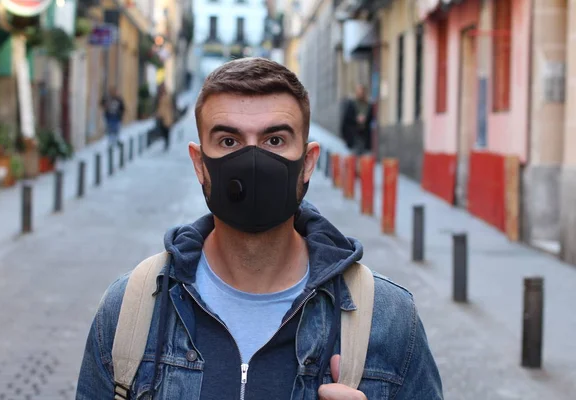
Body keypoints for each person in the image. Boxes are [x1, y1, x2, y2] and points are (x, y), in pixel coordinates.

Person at [76, 58, 443, 399]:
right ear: (199, 164)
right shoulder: (131, 310)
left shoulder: (388, 318)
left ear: (308, 162)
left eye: (275, 140)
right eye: (229, 141)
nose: (252, 161)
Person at [340, 84, 373, 154]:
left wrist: (365, 119)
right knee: (353, 158)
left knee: (363, 158)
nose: (360, 94)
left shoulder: (368, 105)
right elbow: (346, 120)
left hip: (364, 137)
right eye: (359, 92)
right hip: (353, 136)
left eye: (361, 92)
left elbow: (371, 119)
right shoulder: (351, 104)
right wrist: (356, 119)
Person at [155, 83, 174, 151]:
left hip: (167, 116)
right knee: (163, 129)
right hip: (161, 116)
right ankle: (165, 141)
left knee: (166, 130)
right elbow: (159, 107)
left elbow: (170, 106)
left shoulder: (167, 96)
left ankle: (167, 142)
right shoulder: (159, 96)